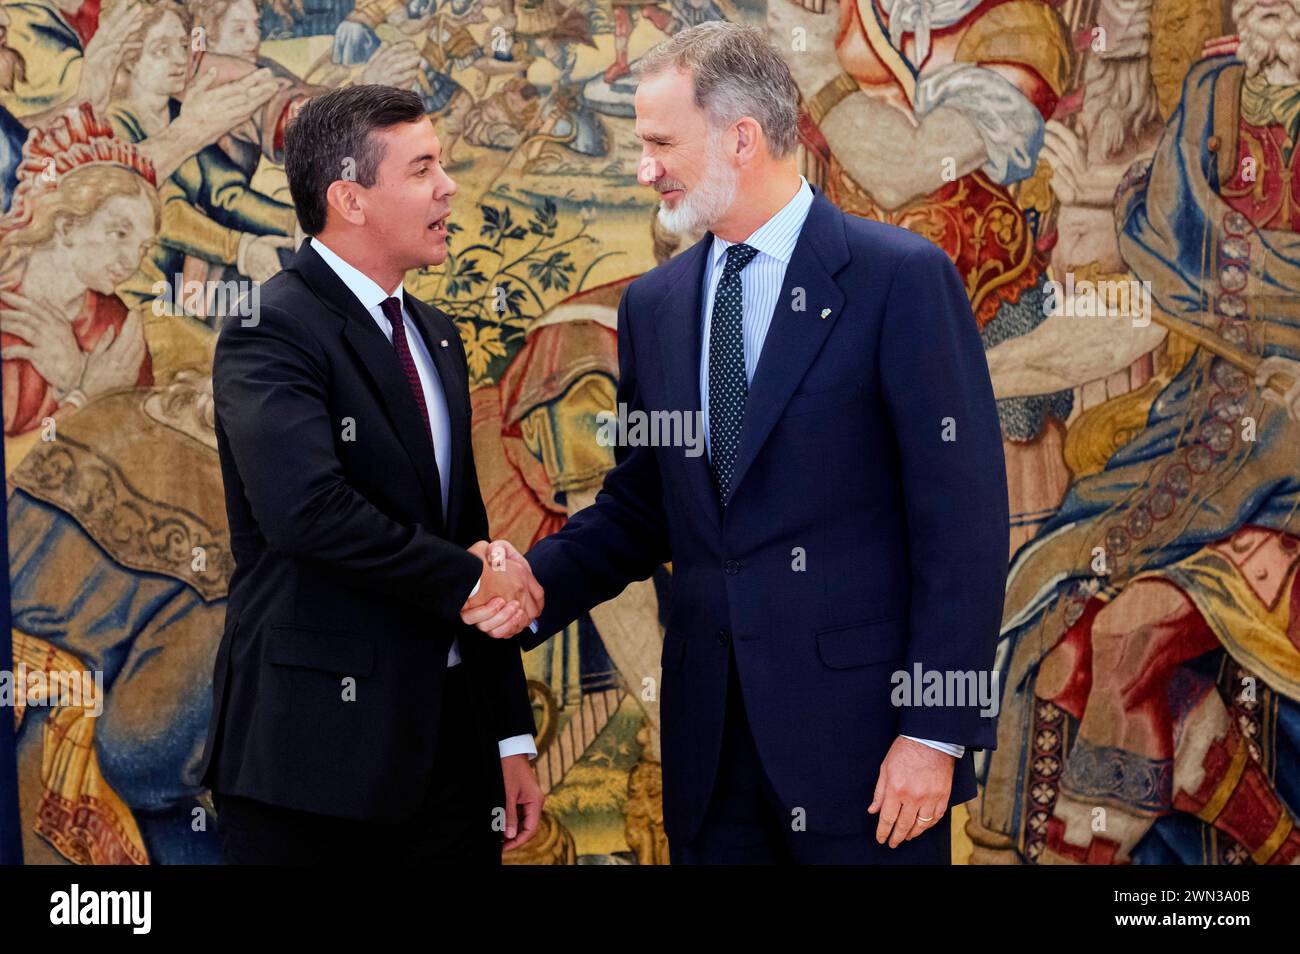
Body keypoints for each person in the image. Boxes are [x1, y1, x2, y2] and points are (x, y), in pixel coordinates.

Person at [463, 21, 1011, 864]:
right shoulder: (656, 305)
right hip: (710, 761)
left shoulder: (900, 279)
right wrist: (535, 583)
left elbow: (964, 530)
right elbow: (644, 505)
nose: (643, 168)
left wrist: (935, 736)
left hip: (866, 760)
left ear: (742, 139)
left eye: (659, 143)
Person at [196, 83, 545, 864]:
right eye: (423, 169)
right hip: (317, 765)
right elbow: (307, 512)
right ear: (349, 199)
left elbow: (468, 534)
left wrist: (507, 732)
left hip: (455, 764)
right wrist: (470, 576)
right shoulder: (269, 327)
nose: (448, 187)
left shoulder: (436, 334)